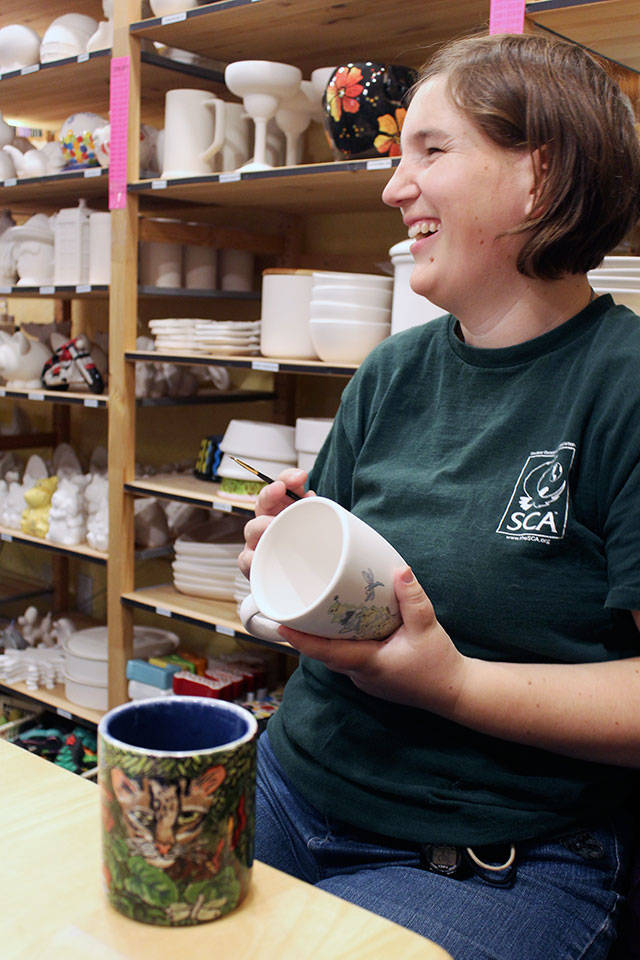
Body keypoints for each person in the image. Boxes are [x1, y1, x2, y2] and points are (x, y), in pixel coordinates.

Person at [239, 32, 640, 960]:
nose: (392, 186)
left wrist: (455, 685)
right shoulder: (392, 370)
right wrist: (289, 560)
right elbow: (330, 605)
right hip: (291, 784)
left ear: (541, 175)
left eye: (432, 150)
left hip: (494, 856)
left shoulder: (621, 387)